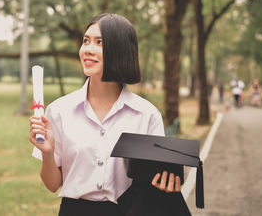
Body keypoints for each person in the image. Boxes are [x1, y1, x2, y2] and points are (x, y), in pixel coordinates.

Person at [29, 13, 181, 216]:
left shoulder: (147, 115)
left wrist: (166, 183)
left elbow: (153, 178)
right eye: (86, 41)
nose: (88, 50)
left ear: (120, 50)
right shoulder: (58, 111)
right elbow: (52, 184)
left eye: (99, 43)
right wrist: (47, 152)